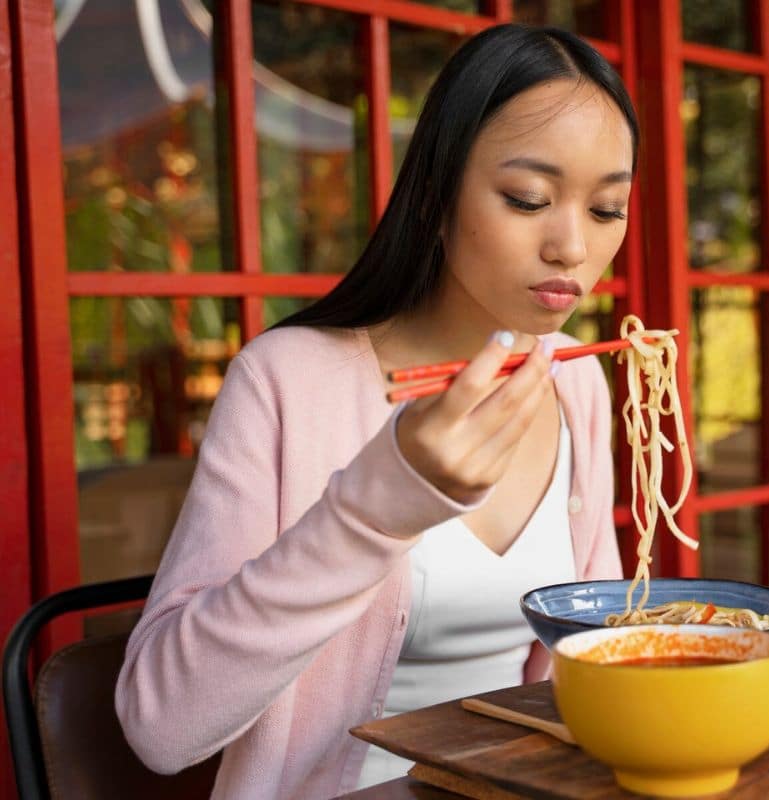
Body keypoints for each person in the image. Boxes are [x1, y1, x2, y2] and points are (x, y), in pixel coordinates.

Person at [115, 23, 635, 799]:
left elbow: (596, 660)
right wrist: (376, 509)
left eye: (606, 210)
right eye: (528, 198)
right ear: (433, 195)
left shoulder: (575, 382)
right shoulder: (287, 381)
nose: (571, 247)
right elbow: (159, 725)